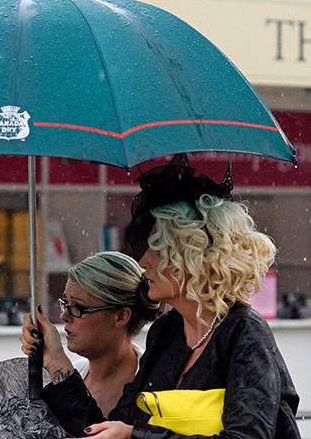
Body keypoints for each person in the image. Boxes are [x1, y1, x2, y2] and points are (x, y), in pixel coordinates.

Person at [20, 154, 301, 438]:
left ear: (193, 257)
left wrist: (135, 436)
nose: (143, 262)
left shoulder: (244, 333)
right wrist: (56, 360)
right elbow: (109, 429)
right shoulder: (166, 332)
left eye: (157, 249)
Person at [21, 251, 160, 416]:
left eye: (78, 308)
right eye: (66, 303)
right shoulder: (57, 381)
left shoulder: (155, 391)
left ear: (121, 316)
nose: (64, 316)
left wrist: (57, 362)